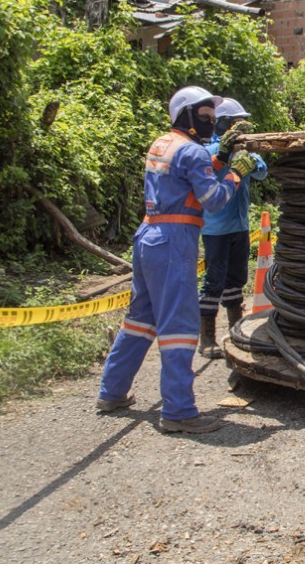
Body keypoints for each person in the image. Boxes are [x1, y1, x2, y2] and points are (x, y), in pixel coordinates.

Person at [95, 86, 258, 434]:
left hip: (148, 236)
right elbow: (213, 199)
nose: (211, 120)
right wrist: (235, 172)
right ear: (186, 115)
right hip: (174, 242)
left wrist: (221, 156)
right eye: (204, 114)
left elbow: (183, 179)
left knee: (140, 318)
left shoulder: (163, 144)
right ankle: (179, 412)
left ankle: (111, 391)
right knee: (178, 327)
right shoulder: (194, 152)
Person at [199, 98, 268, 358]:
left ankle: (235, 330)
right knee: (214, 281)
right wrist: (227, 155)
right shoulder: (209, 151)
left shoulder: (247, 150)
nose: (242, 126)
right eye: (237, 121)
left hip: (239, 225)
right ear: (225, 123)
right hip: (216, 228)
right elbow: (208, 172)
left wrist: (250, 160)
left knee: (236, 280)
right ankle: (206, 339)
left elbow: (262, 171)